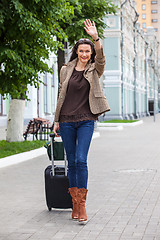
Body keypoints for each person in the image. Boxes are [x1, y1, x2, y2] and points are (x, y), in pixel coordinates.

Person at [53, 19, 110, 223]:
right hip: (67, 120)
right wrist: (56, 120)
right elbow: (61, 95)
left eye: (88, 51)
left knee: (80, 160)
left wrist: (95, 37)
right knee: (72, 163)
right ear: (76, 52)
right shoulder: (66, 69)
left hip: (86, 119)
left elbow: (102, 59)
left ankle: (83, 206)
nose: (85, 55)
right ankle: (75, 204)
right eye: (81, 51)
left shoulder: (95, 69)